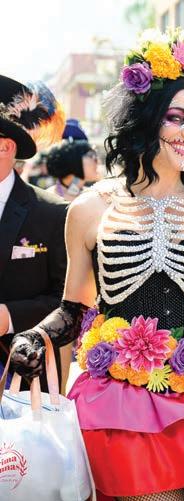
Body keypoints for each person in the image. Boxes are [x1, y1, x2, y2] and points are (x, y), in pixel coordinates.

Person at [10, 28, 184, 501]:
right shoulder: (89, 209)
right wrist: (35, 335)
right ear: (145, 119)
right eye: (177, 117)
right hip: (119, 408)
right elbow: (73, 309)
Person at [0, 74, 67, 390]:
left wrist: (9, 316)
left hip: (21, 390)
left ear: (5, 146)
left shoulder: (52, 213)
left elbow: (68, 303)